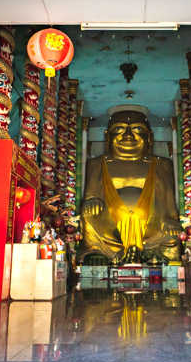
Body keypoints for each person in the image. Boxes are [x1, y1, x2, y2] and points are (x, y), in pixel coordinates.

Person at [77, 108, 183, 264]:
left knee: (173, 236)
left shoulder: (162, 165)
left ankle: (148, 253)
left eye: (138, 129)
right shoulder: (97, 164)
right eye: (118, 129)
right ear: (107, 137)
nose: (128, 136)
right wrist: (91, 201)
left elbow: (169, 204)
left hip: (152, 237)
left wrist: (171, 222)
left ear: (150, 137)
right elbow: (90, 196)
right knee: (87, 215)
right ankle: (97, 252)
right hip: (107, 238)